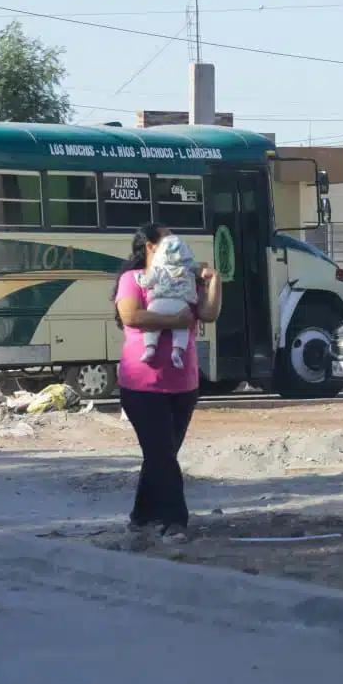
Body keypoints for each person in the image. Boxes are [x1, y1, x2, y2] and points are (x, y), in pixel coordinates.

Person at [111, 223, 222, 543]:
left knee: (162, 452)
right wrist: (174, 321)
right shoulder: (132, 280)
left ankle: (141, 517)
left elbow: (209, 314)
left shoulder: (186, 279)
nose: (178, 242)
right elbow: (131, 316)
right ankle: (175, 521)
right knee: (162, 455)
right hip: (142, 384)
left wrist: (214, 282)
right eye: (169, 238)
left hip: (183, 384)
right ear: (150, 246)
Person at [136, 234, 199, 369]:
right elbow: (191, 290)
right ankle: (177, 352)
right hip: (179, 304)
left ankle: (150, 348)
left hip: (158, 303)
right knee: (182, 328)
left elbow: (146, 282)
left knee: (152, 326)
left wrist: (139, 277)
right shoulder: (186, 271)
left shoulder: (158, 269)